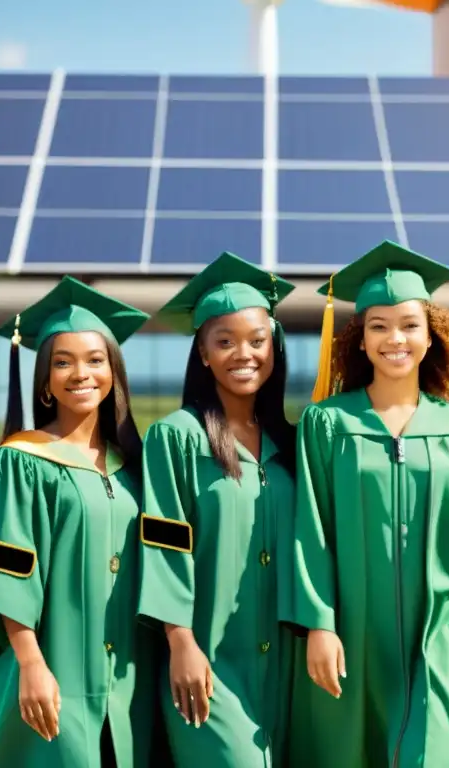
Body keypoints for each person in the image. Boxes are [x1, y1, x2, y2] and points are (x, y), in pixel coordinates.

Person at [283, 240, 449, 768]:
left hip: (439, 630)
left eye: (410, 325)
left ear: (432, 334)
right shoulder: (327, 424)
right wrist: (318, 624)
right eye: (379, 326)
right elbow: (312, 529)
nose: (396, 338)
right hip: (350, 632)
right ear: (361, 340)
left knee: (435, 753)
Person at [0, 276, 164, 768]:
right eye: (63, 361)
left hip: (130, 677)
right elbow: (6, 566)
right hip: (56, 669)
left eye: (96, 360)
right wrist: (31, 663)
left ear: (114, 372)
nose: (82, 373)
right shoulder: (21, 461)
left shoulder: (135, 465)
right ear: (45, 381)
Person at [136, 252, 299, 767]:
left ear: (274, 347)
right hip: (209, 662)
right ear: (203, 354)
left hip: (288, 662)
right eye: (223, 342)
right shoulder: (175, 438)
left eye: (256, 340)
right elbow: (163, 542)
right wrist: (179, 640)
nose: (242, 353)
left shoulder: (292, 444)